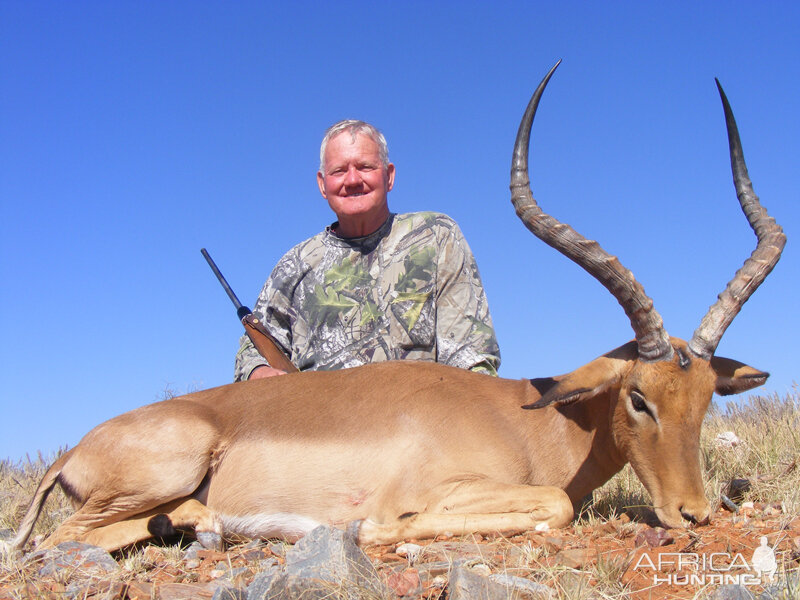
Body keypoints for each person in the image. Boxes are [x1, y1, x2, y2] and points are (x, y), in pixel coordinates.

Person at [233, 119, 500, 381]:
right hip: (317, 419)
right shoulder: (295, 264)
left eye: (365, 167)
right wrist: (259, 373)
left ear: (389, 176)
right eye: (338, 171)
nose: (352, 180)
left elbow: (471, 358)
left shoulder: (436, 236)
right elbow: (251, 353)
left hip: (419, 417)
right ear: (322, 184)